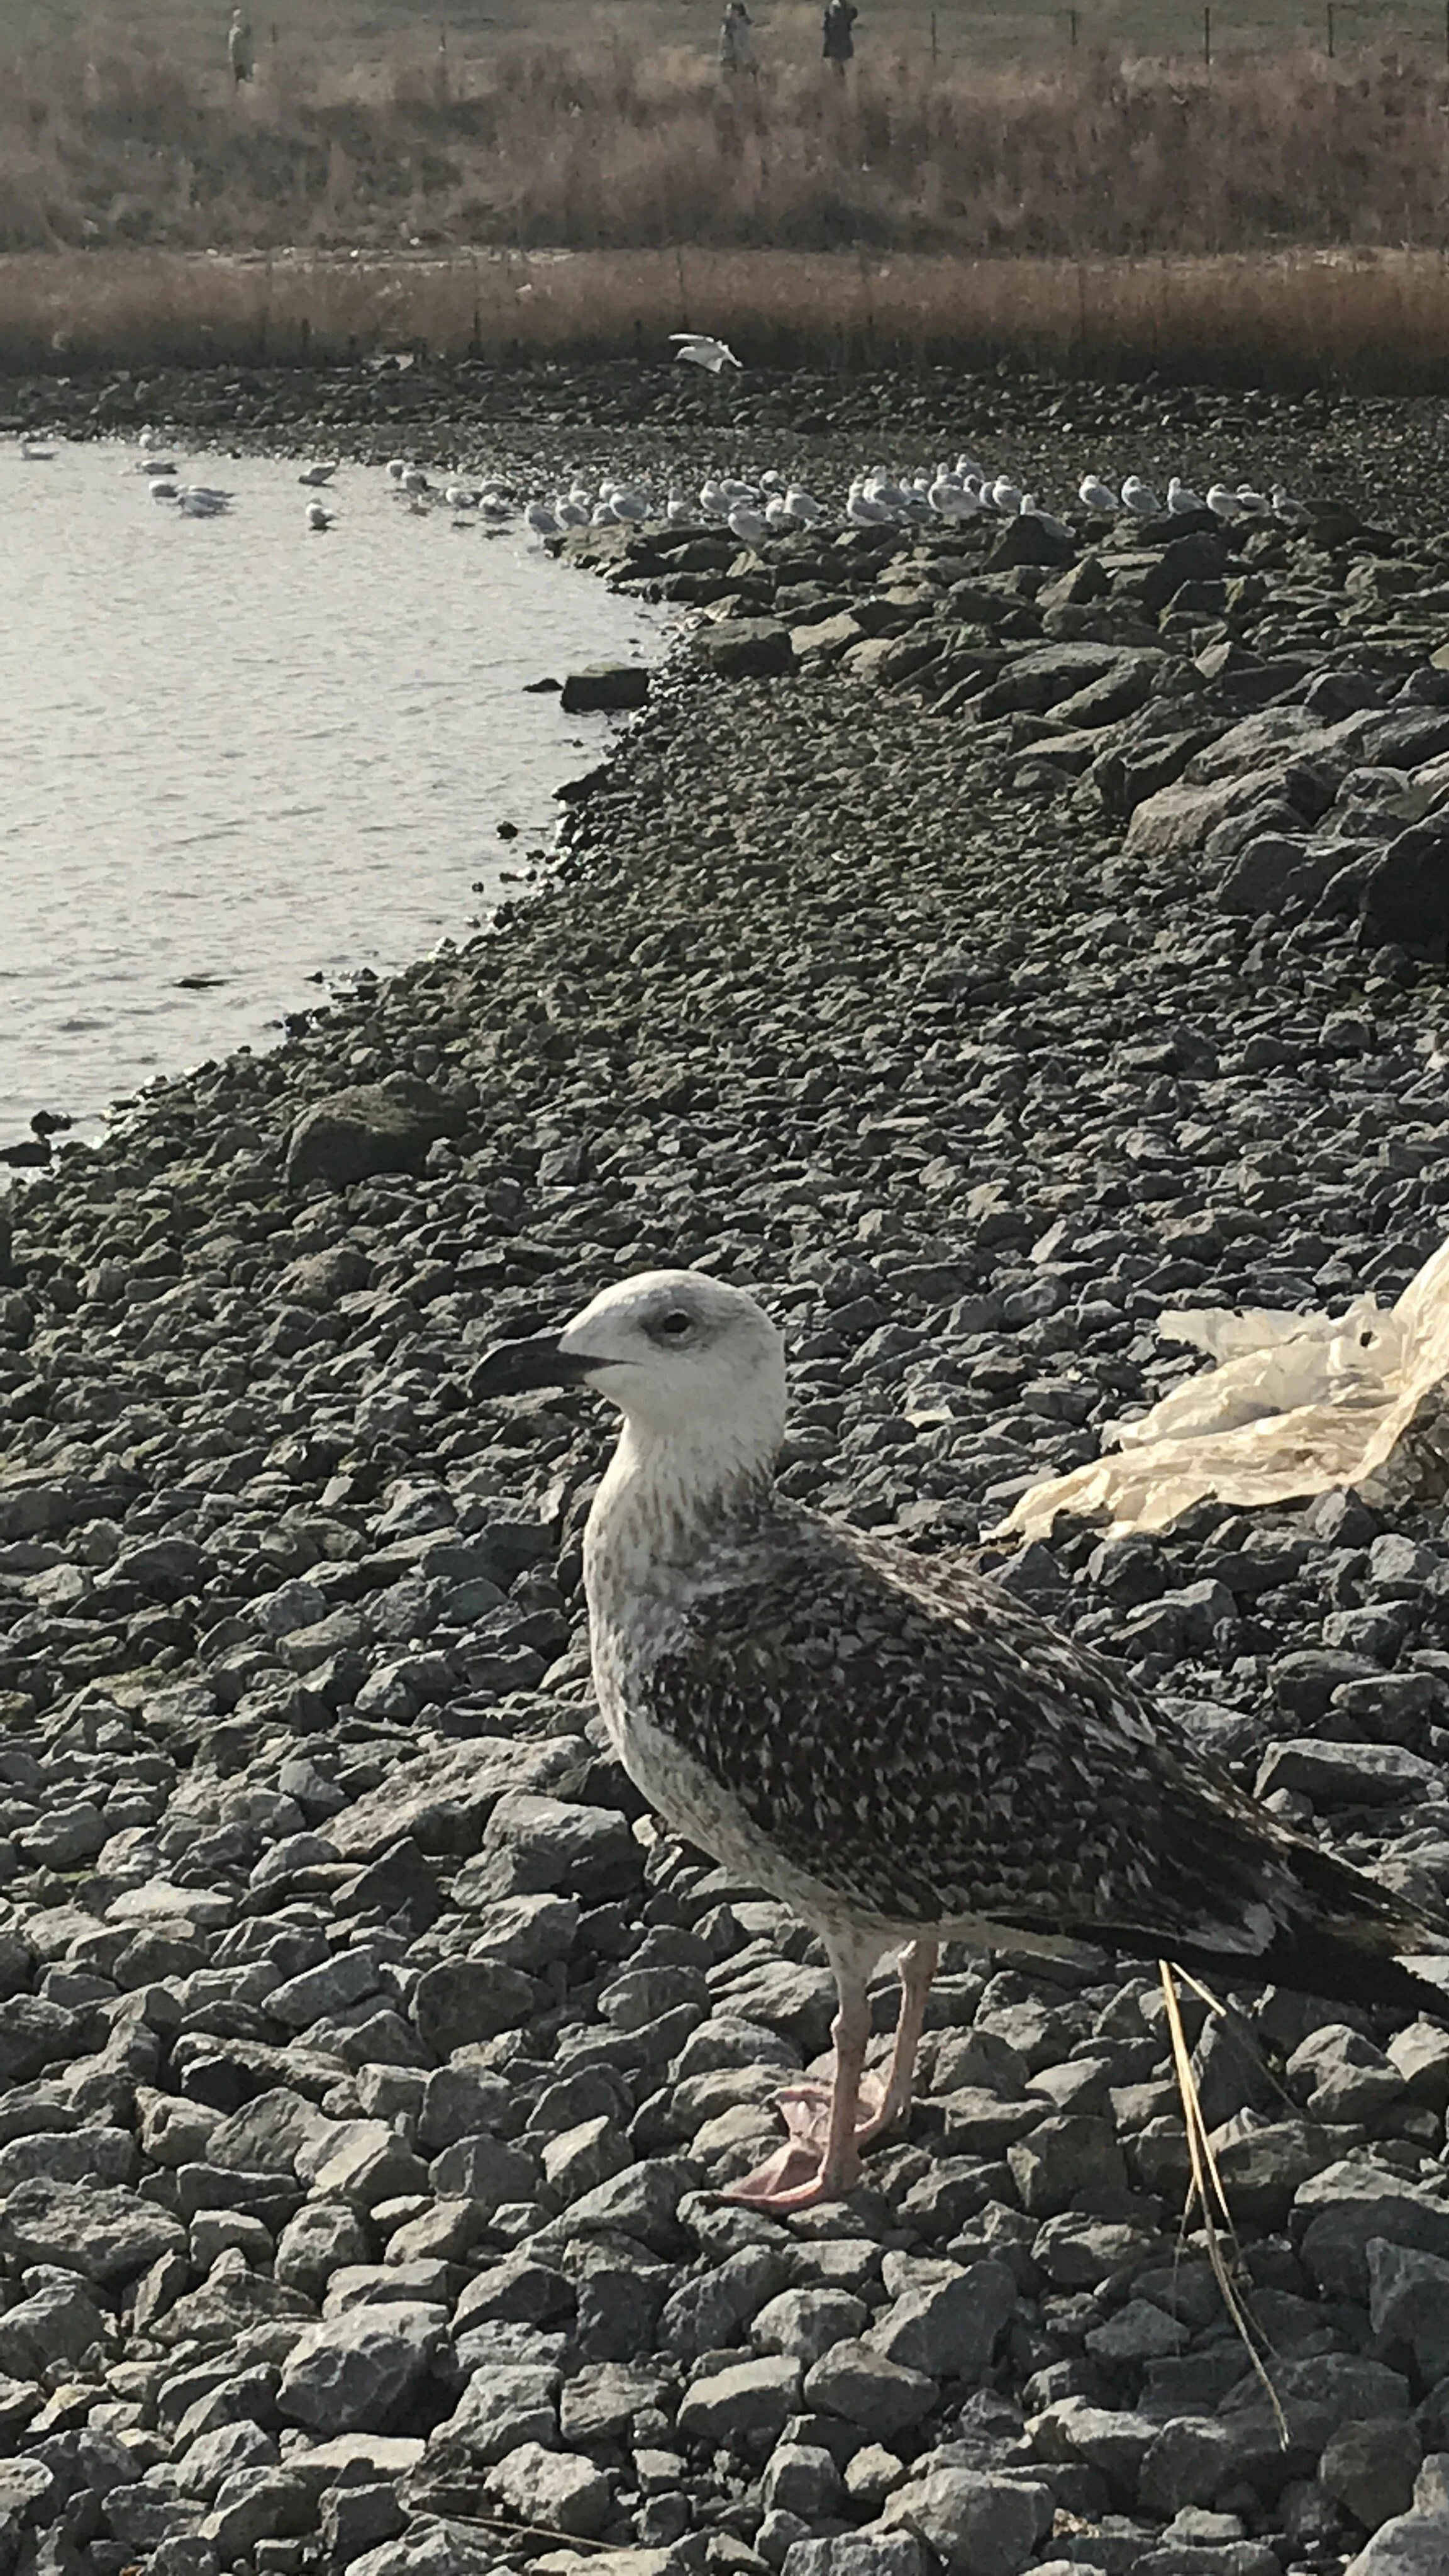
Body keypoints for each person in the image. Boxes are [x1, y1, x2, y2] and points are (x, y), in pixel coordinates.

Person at [718, 2, 757, 74]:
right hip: (730, 61)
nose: (728, 13)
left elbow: (744, 46)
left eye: (730, 11)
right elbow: (724, 44)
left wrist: (747, 61)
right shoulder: (727, 27)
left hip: (741, 62)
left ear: (737, 12)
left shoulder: (742, 27)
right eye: (728, 11)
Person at [822, 0, 857, 70]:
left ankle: (840, 66)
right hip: (837, 34)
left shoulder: (844, 6)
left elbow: (853, 14)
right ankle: (840, 65)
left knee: (839, 54)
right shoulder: (840, 5)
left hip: (840, 33)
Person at [228, 9, 253, 83]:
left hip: (246, 63)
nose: (243, 19)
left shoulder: (241, 32)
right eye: (240, 17)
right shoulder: (235, 33)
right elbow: (233, 49)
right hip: (239, 65)